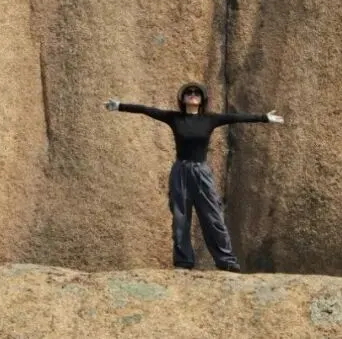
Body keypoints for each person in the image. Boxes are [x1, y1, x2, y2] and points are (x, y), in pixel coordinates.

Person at [105, 82, 282, 273]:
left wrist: (264, 117)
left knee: (212, 216)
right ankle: (183, 262)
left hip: (201, 172)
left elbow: (236, 117)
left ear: (202, 99)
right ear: (182, 98)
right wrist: (120, 106)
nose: (192, 94)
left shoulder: (210, 119)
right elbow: (147, 110)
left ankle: (226, 261)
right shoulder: (174, 118)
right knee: (180, 218)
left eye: (196, 92)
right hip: (180, 171)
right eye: (188, 92)